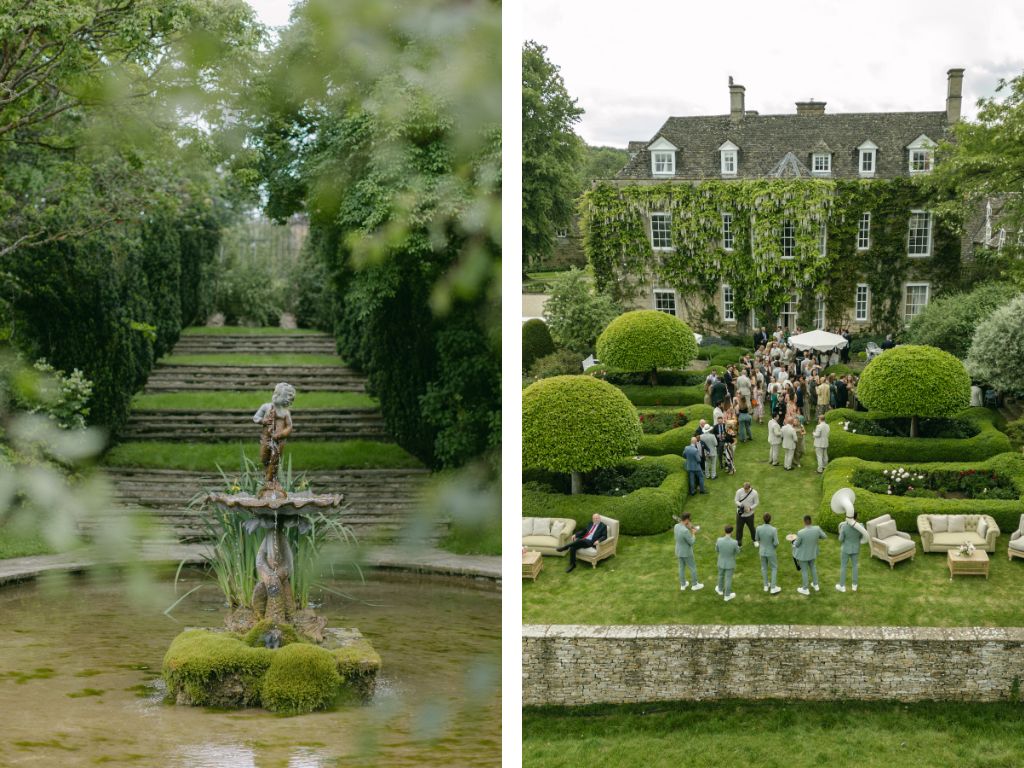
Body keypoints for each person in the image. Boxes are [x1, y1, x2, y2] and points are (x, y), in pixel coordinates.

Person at [792, 515, 827, 595]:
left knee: (804, 571)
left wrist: (793, 543)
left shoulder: (801, 532)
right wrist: (817, 537)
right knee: (812, 567)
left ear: (804, 522)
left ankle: (805, 589)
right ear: (811, 521)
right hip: (812, 553)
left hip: (803, 556)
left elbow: (797, 545)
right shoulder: (817, 529)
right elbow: (824, 536)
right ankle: (816, 585)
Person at [836, 512, 868, 593]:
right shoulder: (861, 526)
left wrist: (841, 532)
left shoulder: (844, 527)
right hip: (855, 549)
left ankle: (842, 586)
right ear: (856, 517)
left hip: (845, 549)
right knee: (855, 566)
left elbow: (840, 539)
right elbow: (861, 536)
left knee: (843, 566)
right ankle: (854, 586)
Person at [674, 513, 704, 591]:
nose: (690, 521)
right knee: (693, 567)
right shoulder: (685, 531)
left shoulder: (676, 526)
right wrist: (693, 534)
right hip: (686, 552)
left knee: (681, 568)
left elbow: (683, 527)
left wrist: (689, 526)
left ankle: (683, 585)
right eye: (689, 520)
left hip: (679, 551)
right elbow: (691, 542)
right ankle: (695, 584)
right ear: (686, 520)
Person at [755, 512, 782, 594]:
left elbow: (756, 538)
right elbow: (776, 543)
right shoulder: (773, 529)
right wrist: (773, 547)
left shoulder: (758, 528)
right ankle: (773, 587)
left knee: (764, 568)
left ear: (763, 519)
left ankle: (766, 585)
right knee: (774, 568)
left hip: (762, 551)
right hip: (771, 552)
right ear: (770, 519)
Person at [715, 525, 741, 602]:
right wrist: (737, 548)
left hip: (721, 562)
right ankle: (727, 595)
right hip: (730, 563)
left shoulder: (719, 540)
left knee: (720, 575)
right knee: (728, 579)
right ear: (732, 532)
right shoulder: (734, 542)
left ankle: (720, 590)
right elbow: (738, 552)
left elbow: (717, 550)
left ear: (724, 531)